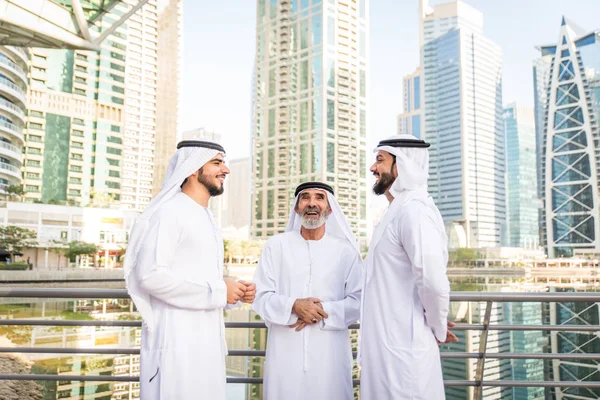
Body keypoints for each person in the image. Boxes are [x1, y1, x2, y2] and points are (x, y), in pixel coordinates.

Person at [124, 139, 256, 400]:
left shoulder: (205, 216)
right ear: (193, 168)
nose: (226, 170)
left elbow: (196, 276)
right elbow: (151, 276)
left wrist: (233, 291)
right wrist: (220, 291)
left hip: (207, 340)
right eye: (217, 163)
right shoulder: (169, 212)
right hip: (177, 340)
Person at [359, 134, 457, 399]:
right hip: (386, 347)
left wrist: (436, 327)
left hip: (404, 351)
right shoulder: (396, 211)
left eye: (380, 160)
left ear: (401, 165)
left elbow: (433, 281)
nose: (372, 168)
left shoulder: (415, 212)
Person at [252, 181, 363, 400]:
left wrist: (320, 310)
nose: (312, 203)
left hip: (329, 354)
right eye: (305, 198)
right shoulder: (276, 245)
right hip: (285, 352)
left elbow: (359, 300)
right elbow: (260, 295)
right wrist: (294, 306)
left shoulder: (346, 251)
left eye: (319, 198)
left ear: (330, 208)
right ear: (296, 207)